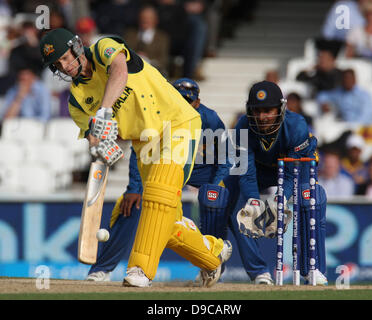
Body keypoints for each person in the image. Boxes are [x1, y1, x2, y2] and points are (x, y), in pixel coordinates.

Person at [39, 28, 232, 288]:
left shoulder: (103, 48)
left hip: (177, 124)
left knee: (158, 195)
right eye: (57, 64)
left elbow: (120, 71)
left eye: (65, 57)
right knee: (166, 221)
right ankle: (212, 255)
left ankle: (140, 269)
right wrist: (99, 145)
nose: (65, 66)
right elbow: (93, 136)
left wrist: (104, 111)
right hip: (145, 144)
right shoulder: (76, 100)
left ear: (76, 47)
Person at [86, 77, 233, 282]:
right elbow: (141, 153)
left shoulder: (209, 118)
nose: (182, 104)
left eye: (187, 101)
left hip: (200, 170)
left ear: (197, 103)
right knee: (137, 208)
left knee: (214, 202)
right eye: (177, 98)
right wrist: (135, 188)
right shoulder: (156, 114)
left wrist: (214, 187)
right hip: (165, 169)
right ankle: (101, 269)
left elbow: (226, 158)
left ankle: (213, 255)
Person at [227, 81, 328, 285]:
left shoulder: (296, 126)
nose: (262, 117)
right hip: (259, 172)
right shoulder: (242, 127)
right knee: (228, 198)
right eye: (257, 111)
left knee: (313, 197)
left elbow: (291, 176)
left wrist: (277, 204)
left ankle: (313, 268)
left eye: (267, 111)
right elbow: (246, 175)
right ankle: (258, 272)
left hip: (296, 169)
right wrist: (254, 205)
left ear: (280, 109)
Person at [123, 5, 170, 76]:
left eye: (149, 18)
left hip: (153, 73)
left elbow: (163, 60)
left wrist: (148, 60)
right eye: (143, 17)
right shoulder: (130, 34)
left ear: (155, 20)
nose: (145, 20)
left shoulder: (162, 37)